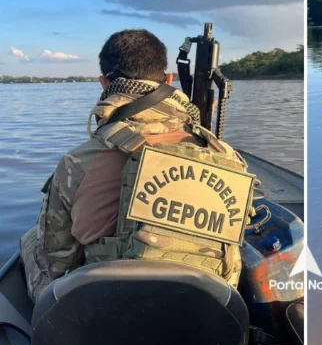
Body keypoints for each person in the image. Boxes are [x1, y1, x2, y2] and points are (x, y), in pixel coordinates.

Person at [20, 29, 253, 301]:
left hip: (108, 318)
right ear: (168, 79)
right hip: (207, 319)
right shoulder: (226, 156)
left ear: (104, 84)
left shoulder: (78, 162)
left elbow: (56, 264)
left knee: (30, 240)